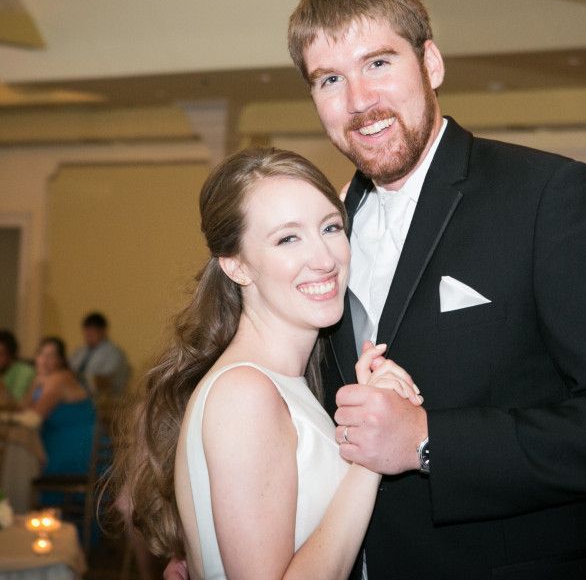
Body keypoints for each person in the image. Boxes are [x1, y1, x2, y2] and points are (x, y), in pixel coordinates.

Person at [283, 0, 586, 579]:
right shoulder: (325, 227)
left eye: (379, 64)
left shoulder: (549, 195)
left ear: (432, 64)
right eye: (330, 79)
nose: (359, 101)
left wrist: (427, 442)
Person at [115, 148, 422, 579]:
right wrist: (370, 455)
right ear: (236, 265)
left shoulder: (281, 384)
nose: (325, 258)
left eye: (330, 227)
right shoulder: (245, 393)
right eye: (287, 238)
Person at [24, 336, 95, 478]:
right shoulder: (41, 380)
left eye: (51, 356)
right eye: (41, 354)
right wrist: (34, 385)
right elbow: (24, 409)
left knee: (20, 461)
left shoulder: (59, 378)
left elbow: (33, 418)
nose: (44, 360)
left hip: (76, 447)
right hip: (56, 442)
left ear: (61, 360)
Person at [69, 312, 130, 396]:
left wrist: (78, 378)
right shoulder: (81, 351)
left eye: (92, 331)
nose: (88, 335)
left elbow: (104, 381)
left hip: (104, 401)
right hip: (77, 395)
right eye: (86, 331)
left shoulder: (113, 353)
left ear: (103, 331)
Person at [0, 329, 34, 404]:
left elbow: (17, 404)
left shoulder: (26, 372)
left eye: (1, 354)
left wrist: (2, 388)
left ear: (10, 355)